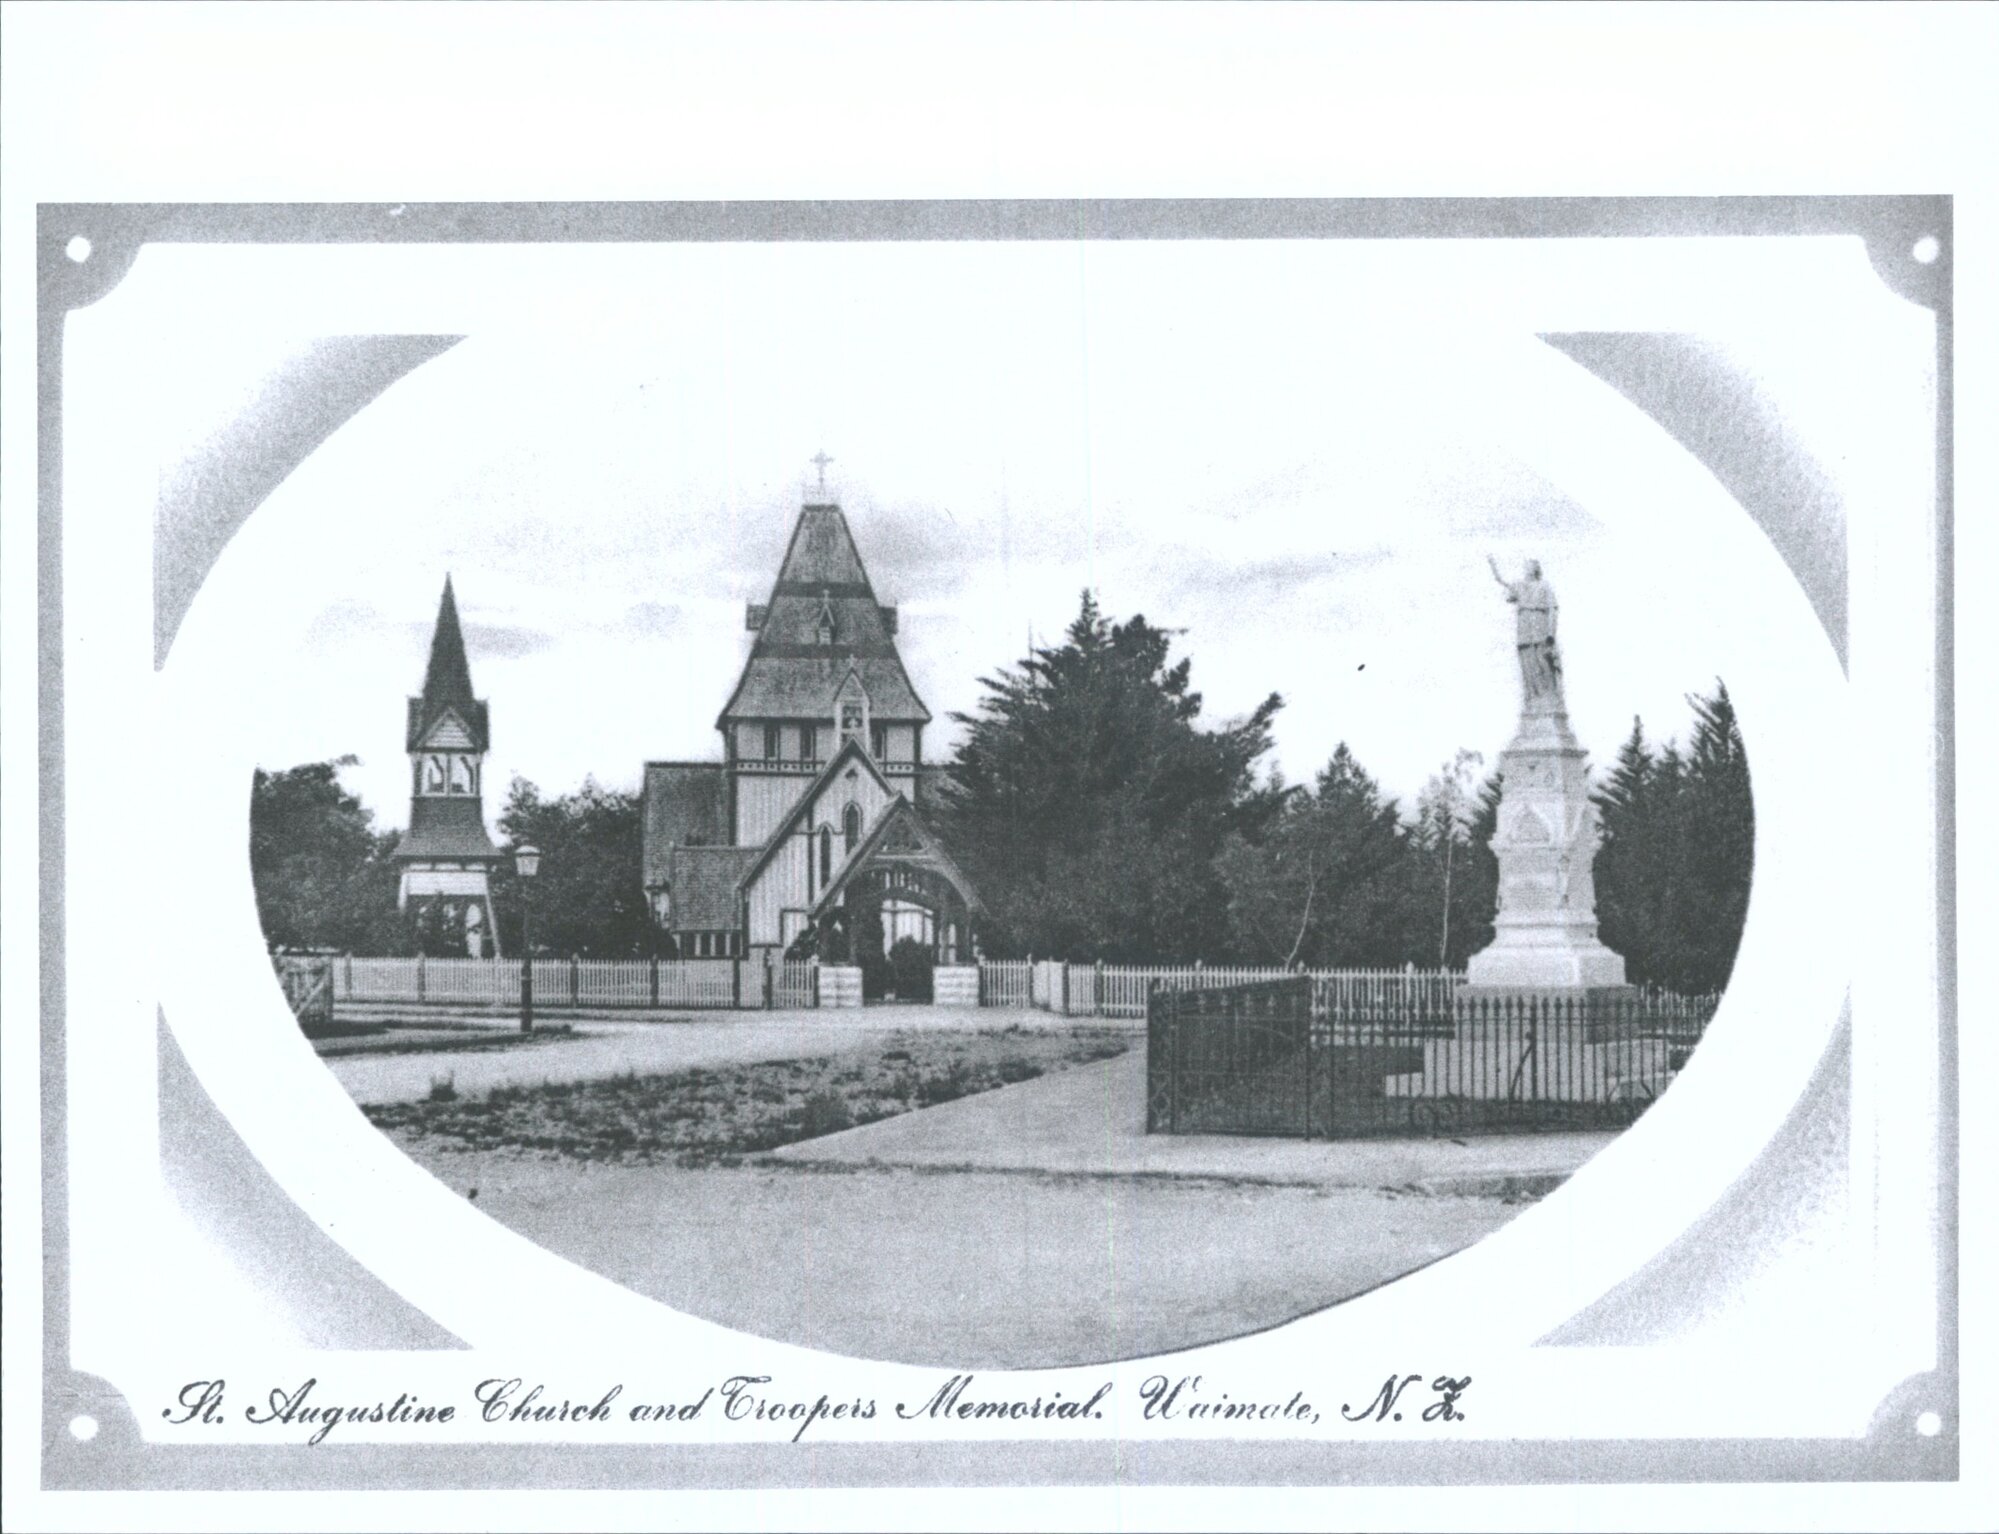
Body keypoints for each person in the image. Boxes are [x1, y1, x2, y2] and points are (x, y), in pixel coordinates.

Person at [1488, 556, 1563, 706]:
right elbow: (1503, 583)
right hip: (1524, 625)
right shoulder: (1520, 585)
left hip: (1539, 623)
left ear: (1536, 569)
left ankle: (1548, 694)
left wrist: (1551, 632)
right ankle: (1532, 695)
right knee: (1527, 660)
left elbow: (1552, 609)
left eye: (1530, 567)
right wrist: (1493, 566)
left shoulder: (1544, 586)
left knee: (1542, 658)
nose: (1527, 570)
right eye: (1526, 567)